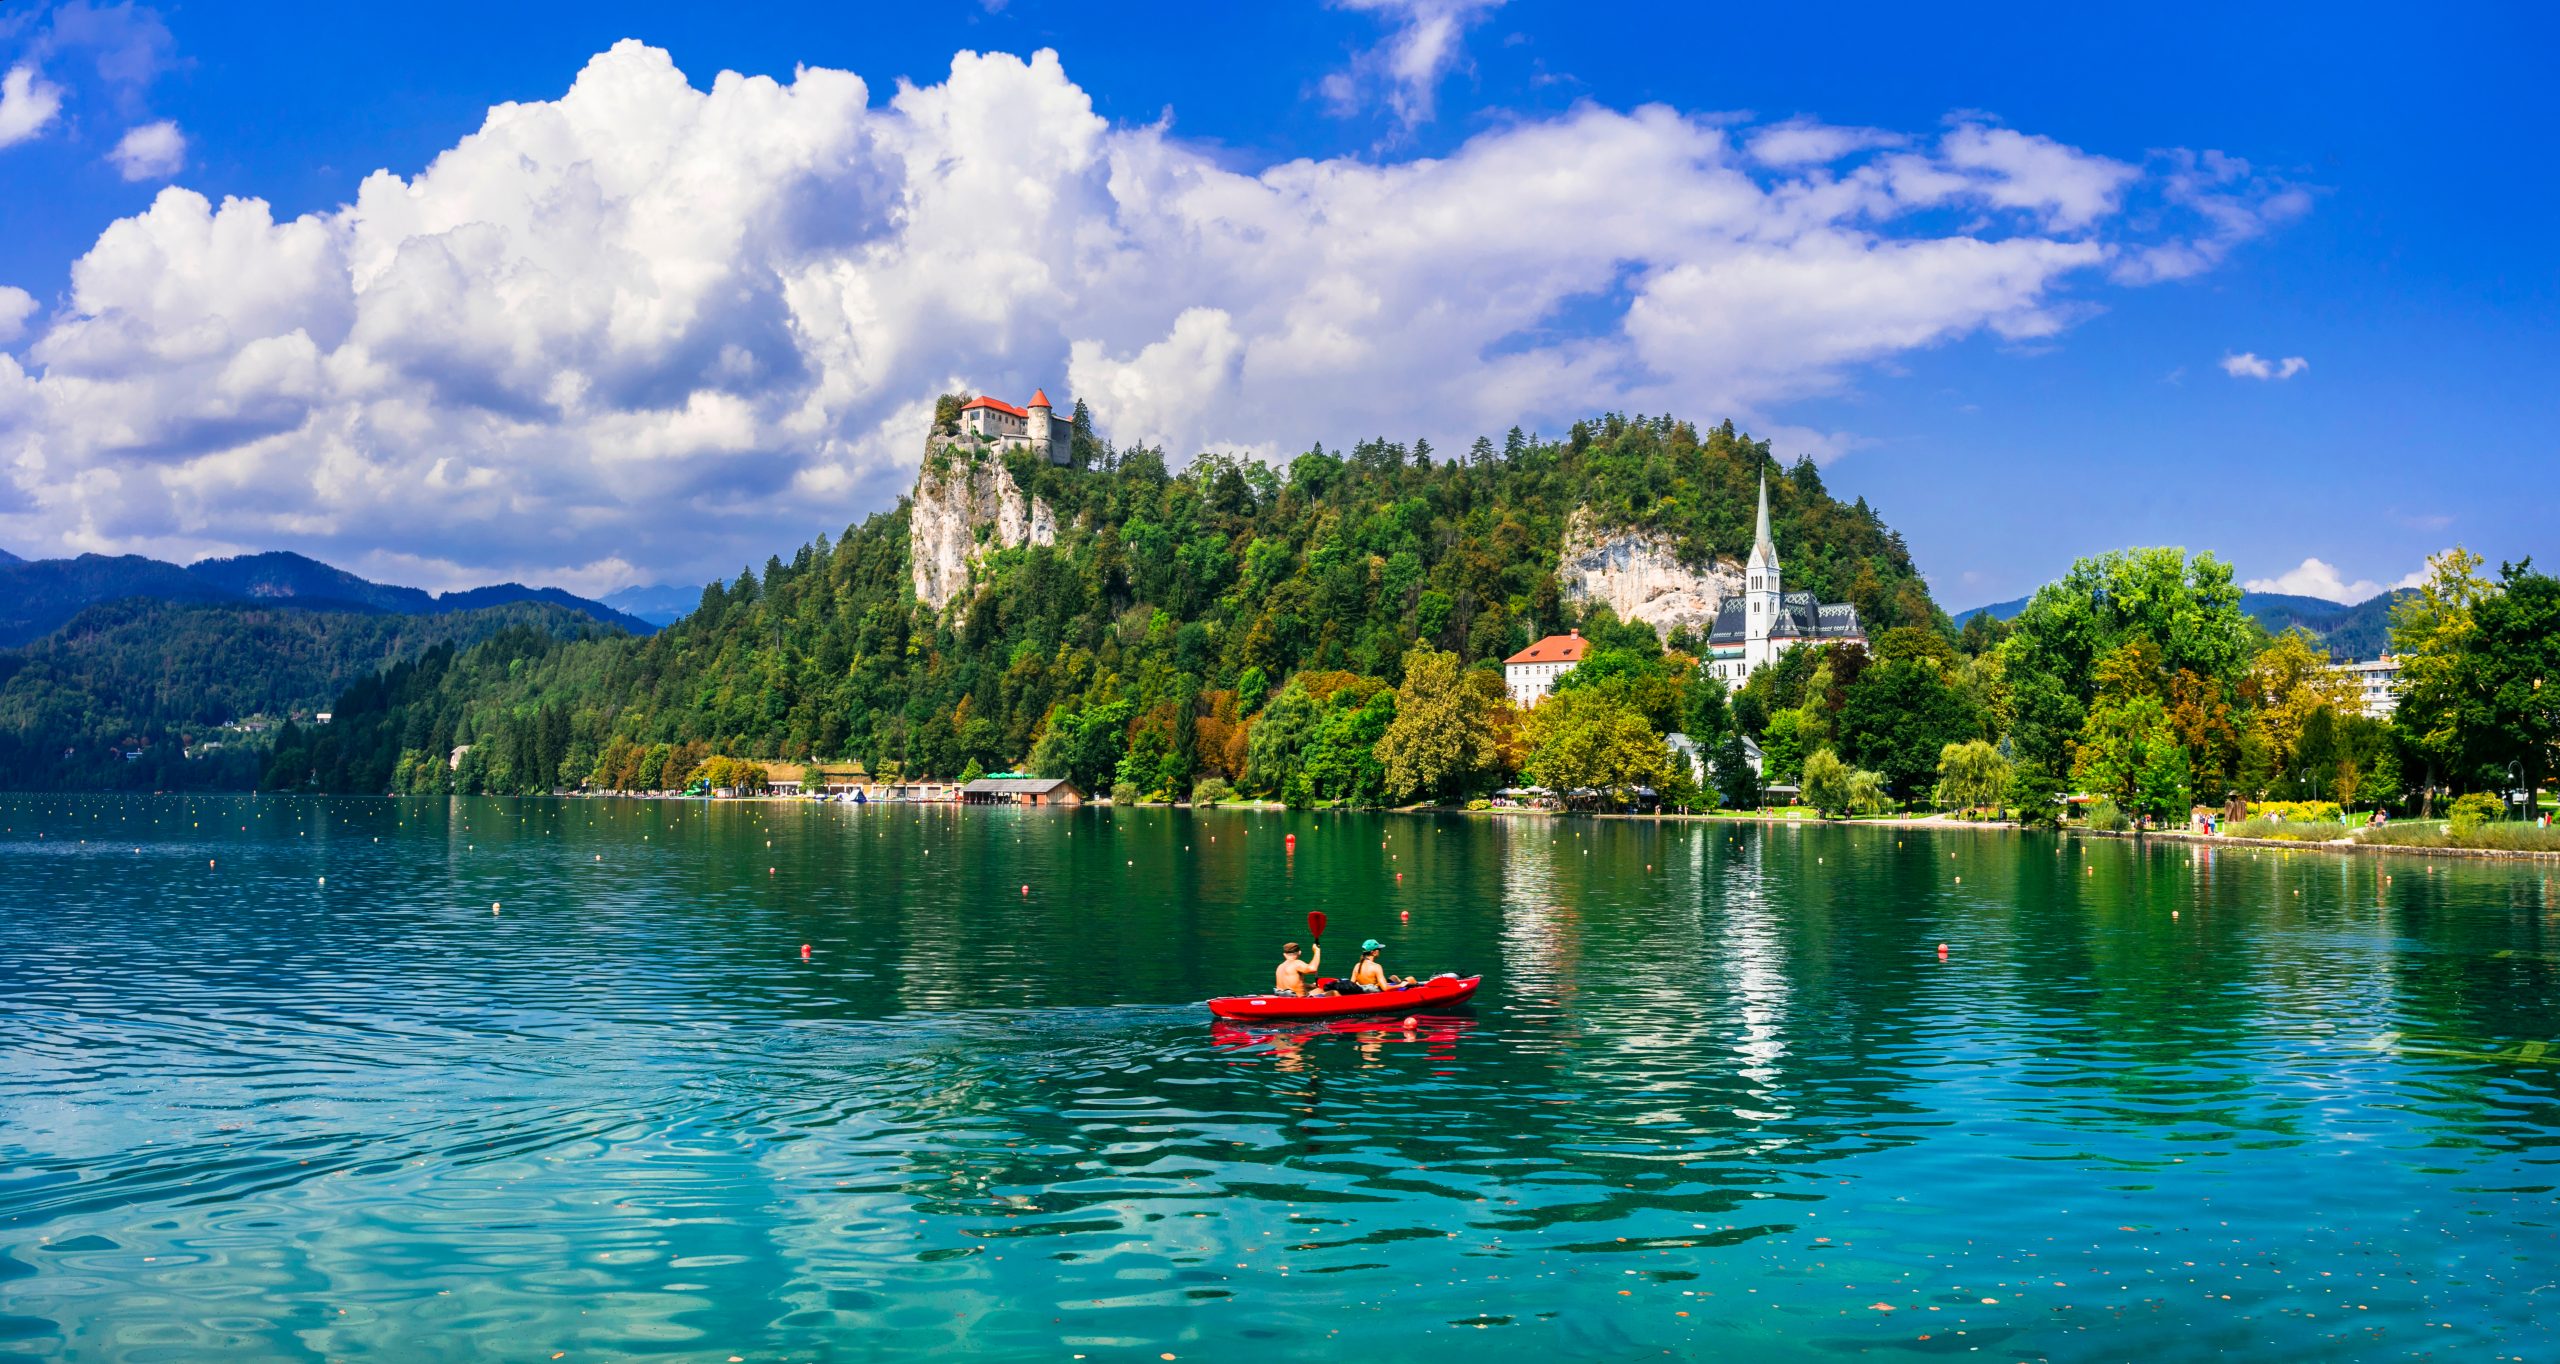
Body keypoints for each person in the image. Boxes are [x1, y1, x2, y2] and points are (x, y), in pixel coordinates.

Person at [1345, 939, 1417, 994]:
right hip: (1377, 992)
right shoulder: (1376, 967)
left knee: (1393, 977)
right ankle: (1418, 989)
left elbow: (1351, 985)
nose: (1380, 951)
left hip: (1367, 989)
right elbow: (1385, 988)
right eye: (1379, 949)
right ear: (1374, 952)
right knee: (1410, 979)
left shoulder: (1357, 966)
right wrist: (1401, 985)